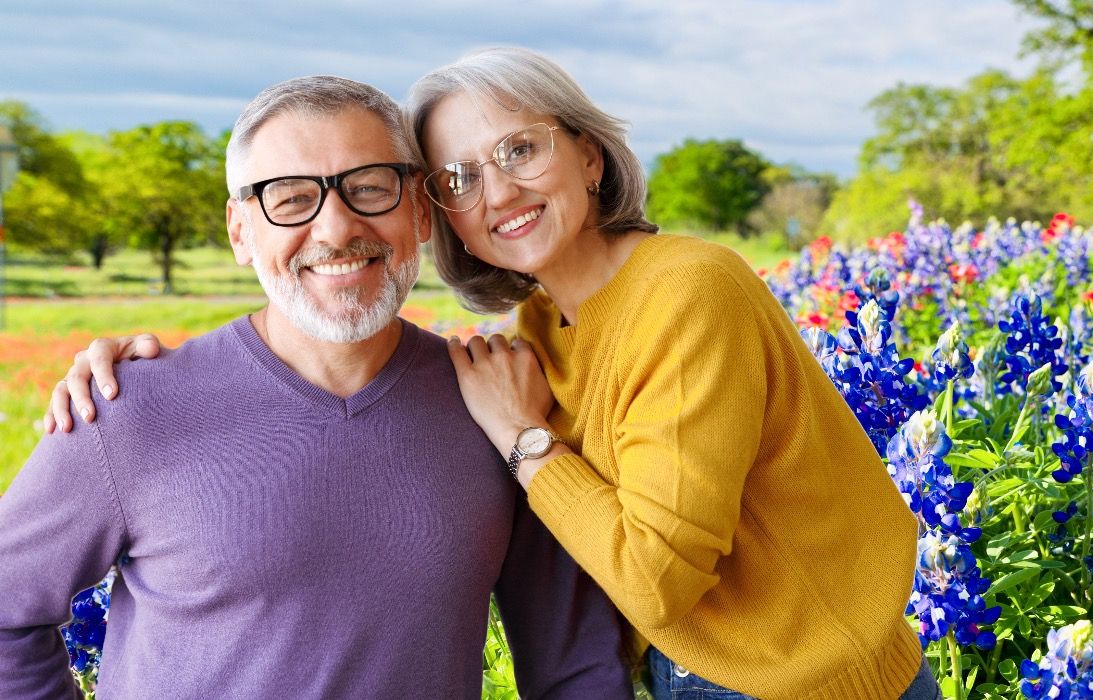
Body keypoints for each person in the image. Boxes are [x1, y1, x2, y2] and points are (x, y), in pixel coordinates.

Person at [49, 49, 939, 699]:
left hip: (804, 678)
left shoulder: (685, 291)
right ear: (444, 216)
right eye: (460, 177)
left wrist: (525, 441)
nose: (499, 192)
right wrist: (165, 383)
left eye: (520, 150)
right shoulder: (535, 334)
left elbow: (652, 585)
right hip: (696, 669)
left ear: (589, 154)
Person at [8, 75, 632, 699]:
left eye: (369, 188)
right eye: (289, 198)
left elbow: (576, 666)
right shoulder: (129, 409)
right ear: (239, 231)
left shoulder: (499, 406)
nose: (336, 230)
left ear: (420, 211)